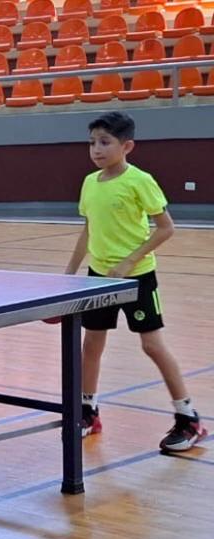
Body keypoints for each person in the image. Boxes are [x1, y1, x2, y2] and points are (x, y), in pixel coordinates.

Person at [62, 111, 206, 452]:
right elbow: (88, 230)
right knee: (91, 345)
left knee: (152, 345)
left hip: (138, 278)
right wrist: (69, 273)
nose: (97, 149)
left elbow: (166, 228)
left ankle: (188, 419)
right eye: (92, 143)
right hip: (99, 278)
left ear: (127, 146)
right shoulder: (89, 182)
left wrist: (129, 261)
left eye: (105, 142)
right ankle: (88, 413)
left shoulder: (140, 180)